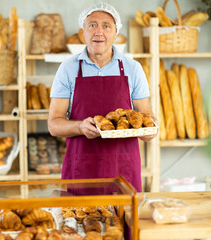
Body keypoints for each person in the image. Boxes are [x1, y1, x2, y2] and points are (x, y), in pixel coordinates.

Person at [48, 2, 157, 193]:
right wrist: (80, 127)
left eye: (106, 26)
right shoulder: (68, 68)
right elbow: (54, 125)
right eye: (92, 25)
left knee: (124, 222)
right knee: (81, 222)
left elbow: (146, 117)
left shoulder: (133, 69)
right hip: (82, 168)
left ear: (116, 33)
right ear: (83, 32)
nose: (99, 32)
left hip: (123, 170)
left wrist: (149, 131)